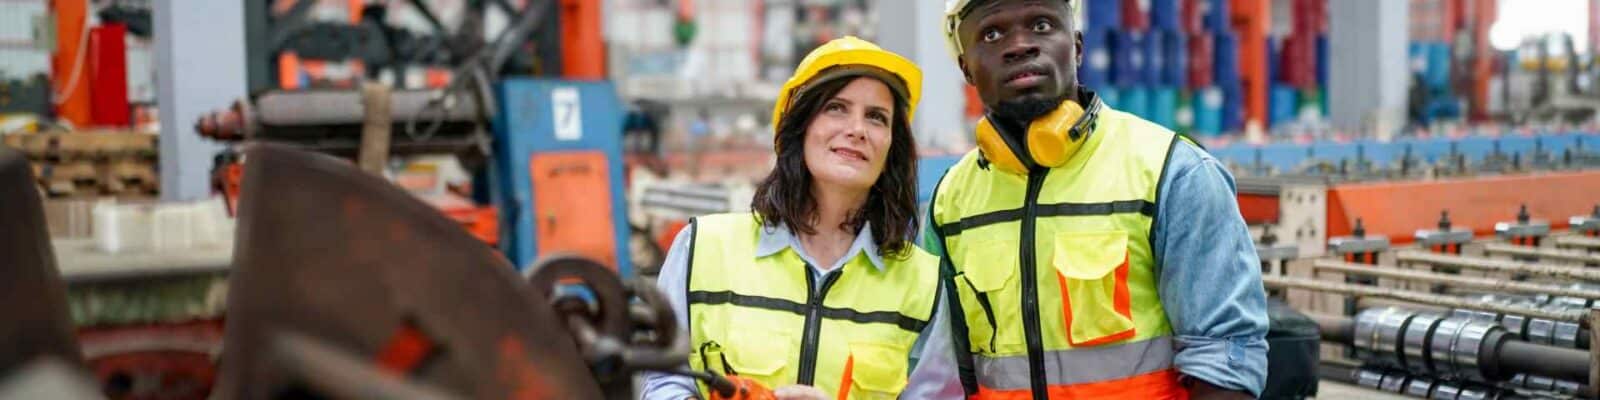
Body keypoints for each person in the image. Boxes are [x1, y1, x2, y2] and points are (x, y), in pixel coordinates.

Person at [908, 1, 1270, 399]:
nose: (1020, 45)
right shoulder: (951, 202)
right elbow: (941, 371)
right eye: (992, 34)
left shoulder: (1172, 173)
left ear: (1077, 46)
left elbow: (1225, 360)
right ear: (966, 69)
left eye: (1042, 25)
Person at [640, 36, 943, 400]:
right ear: (800, 127)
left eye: (876, 117)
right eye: (836, 108)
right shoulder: (703, 249)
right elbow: (661, 384)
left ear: (892, 147)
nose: (857, 129)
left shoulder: (924, 284)